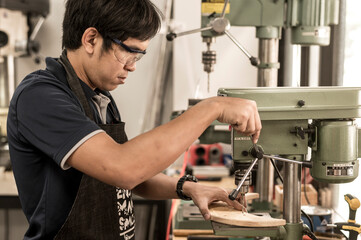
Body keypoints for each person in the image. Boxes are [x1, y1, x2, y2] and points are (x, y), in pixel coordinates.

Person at [7, 0, 262, 239]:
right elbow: (122, 168)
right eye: (130, 53)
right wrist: (212, 108)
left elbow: (129, 176)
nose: (132, 66)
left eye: (139, 57)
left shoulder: (99, 97)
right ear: (91, 39)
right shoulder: (40, 96)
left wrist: (187, 187)